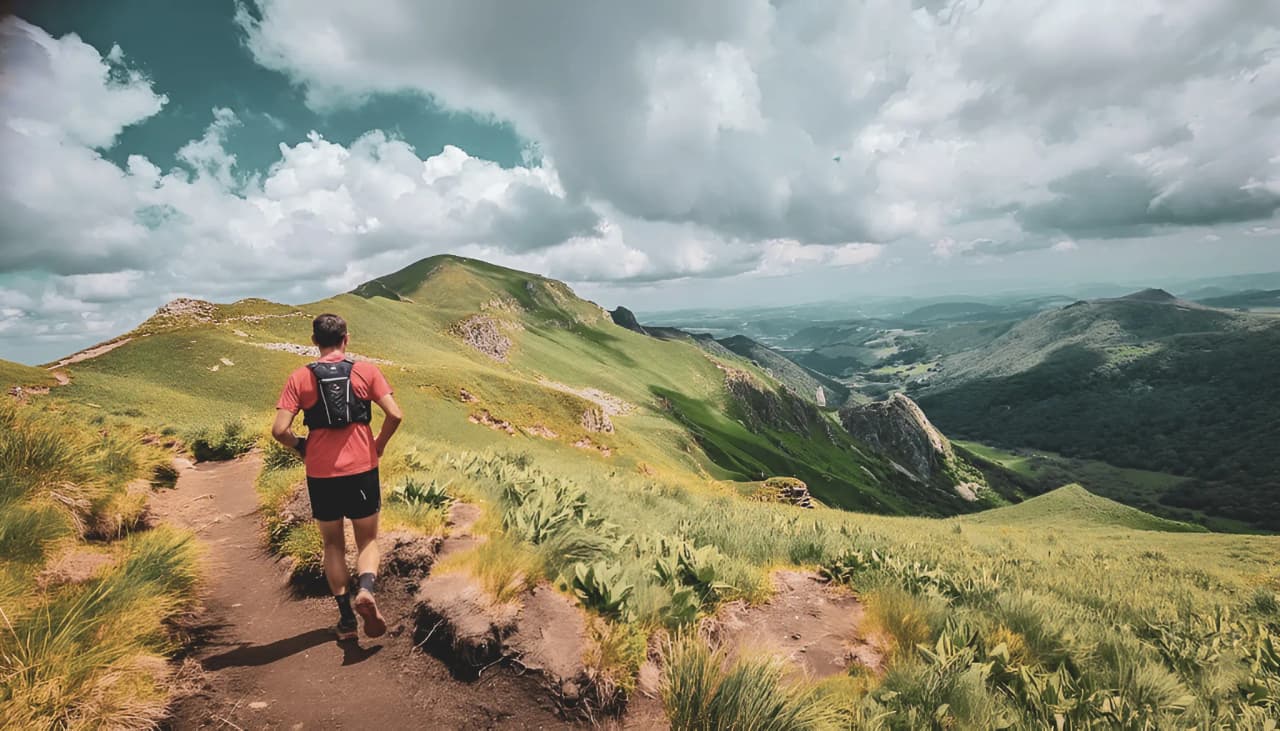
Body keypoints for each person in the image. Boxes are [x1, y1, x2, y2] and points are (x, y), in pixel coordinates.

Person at [271, 313, 403, 640]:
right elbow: (395, 414)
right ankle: (367, 590)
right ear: (346, 338)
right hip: (362, 468)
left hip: (320, 473)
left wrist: (301, 446)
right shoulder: (365, 371)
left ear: (314, 341)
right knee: (368, 540)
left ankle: (346, 620)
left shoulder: (299, 378)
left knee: (332, 544)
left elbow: (279, 431)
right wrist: (378, 445)